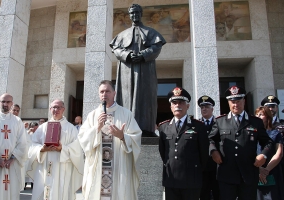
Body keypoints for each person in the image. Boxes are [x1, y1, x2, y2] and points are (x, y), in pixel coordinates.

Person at [78, 80, 142, 200]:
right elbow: (83, 139)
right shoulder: (93, 115)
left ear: (114, 93)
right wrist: (97, 128)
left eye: (107, 91)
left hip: (119, 167)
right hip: (98, 168)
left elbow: (136, 138)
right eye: (101, 91)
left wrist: (122, 136)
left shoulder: (126, 114)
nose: (104, 94)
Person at [209, 85, 274, 200]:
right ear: (228, 102)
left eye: (238, 101)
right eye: (232, 102)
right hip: (226, 174)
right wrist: (213, 151)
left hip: (249, 173)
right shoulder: (220, 121)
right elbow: (210, 139)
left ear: (244, 101)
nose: (235, 105)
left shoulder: (256, 122)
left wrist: (263, 155)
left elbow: (268, 142)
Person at [110, 4, 166, 136]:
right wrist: (128, 55)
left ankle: (145, 127)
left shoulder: (151, 32)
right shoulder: (122, 35)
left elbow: (156, 47)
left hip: (145, 71)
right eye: (132, 13)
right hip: (126, 70)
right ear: (129, 15)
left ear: (141, 14)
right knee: (126, 97)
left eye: (137, 13)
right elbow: (116, 49)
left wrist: (143, 54)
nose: (134, 15)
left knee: (145, 97)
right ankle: (126, 126)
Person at [159, 87, 209, 200]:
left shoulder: (199, 126)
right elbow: (163, 152)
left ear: (188, 106)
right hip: (171, 179)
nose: (178, 105)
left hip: (191, 179)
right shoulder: (164, 127)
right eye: (174, 103)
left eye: (181, 102)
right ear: (171, 106)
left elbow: (204, 154)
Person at [28, 99, 84, 200]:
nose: (56, 109)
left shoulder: (71, 128)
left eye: (58, 107)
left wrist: (62, 148)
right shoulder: (42, 127)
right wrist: (42, 149)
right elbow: (32, 145)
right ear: (50, 109)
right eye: (53, 107)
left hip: (62, 168)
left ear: (63, 109)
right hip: (44, 167)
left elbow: (77, 149)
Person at [0, 93, 27, 200]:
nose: (5, 104)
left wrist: (12, 159)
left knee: (11, 192)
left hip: (11, 165)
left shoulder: (17, 121)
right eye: (3, 101)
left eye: (8, 102)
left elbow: (22, 142)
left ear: (12, 104)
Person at [255, 106, 284, 200]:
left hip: (272, 170)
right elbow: (247, 151)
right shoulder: (250, 132)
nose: (258, 116)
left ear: (267, 117)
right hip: (255, 169)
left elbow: (279, 154)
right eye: (257, 114)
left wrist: (266, 170)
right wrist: (259, 169)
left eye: (261, 114)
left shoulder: (275, 133)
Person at [197, 95, 220, 200]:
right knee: (203, 194)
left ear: (212, 108)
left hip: (218, 166)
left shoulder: (220, 123)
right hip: (202, 167)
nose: (204, 109)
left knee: (218, 193)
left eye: (206, 106)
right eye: (202, 107)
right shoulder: (196, 124)